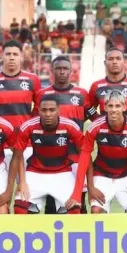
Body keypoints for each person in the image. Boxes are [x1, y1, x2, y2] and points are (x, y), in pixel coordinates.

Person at [0, 40, 43, 208]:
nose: (12, 58)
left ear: (21, 57)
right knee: (1, 199)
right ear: (2, 57)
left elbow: (40, 108)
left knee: (25, 197)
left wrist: (29, 128)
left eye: (15, 54)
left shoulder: (32, 80)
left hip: (26, 146)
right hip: (0, 147)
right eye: (8, 54)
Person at [73, 90, 127, 214]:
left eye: (118, 106)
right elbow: (85, 157)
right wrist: (89, 188)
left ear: (124, 107)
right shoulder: (95, 127)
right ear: (105, 107)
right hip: (102, 174)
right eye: (110, 106)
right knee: (96, 211)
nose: (114, 110)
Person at [35, 55, 97, 213]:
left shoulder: (81, 94)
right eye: (58, 68)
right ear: (52, 71)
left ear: (71, 71)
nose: (62, 71)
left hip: (75, 157)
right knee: (51, 206)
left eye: (65, 68)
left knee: (77, 204)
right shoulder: (42, 94)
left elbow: (96, 119)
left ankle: (81, 236)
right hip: (50, 158)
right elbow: (34, 121)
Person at [11, 95, 83, 214]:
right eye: (44, 110)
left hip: (63, 173)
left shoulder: (70, 126)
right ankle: (33, 232)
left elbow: (85, 156)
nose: (48, 114)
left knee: (74, 211)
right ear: (38, 110)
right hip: (35, 172)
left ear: (58, 110)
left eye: (52, 110)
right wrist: (22, 182)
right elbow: (18, 155)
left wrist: (79, 186)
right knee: (20, 209)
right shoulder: (28, 126)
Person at [88, 48, 127, 122]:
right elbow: (89, 108)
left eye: (118, 59)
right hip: (105, 133)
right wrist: (98, 120)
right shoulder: (96, 86)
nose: (114, 62)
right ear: (105, 63)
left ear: (124, 62)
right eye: (110, 59)